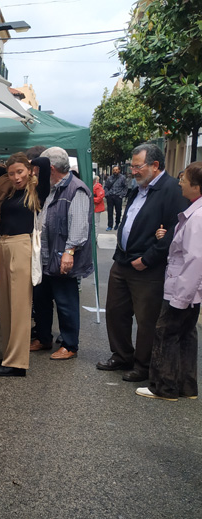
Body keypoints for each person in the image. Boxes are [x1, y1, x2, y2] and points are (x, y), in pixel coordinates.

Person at [96, 144, 189, 382]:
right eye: (132, 166)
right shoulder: (138, 189)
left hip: (147, 267)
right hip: (123, 261)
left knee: (146, 318)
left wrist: (148, 259)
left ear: (155, 166)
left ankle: (143, 364)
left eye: (138, 166)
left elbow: (175, 232)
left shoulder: (172, 191)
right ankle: (122, 355)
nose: (133, 171)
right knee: (116, 312)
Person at [0, 152, 50, 377]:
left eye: (20, 172)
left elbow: (45, 163)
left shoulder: (35, 192)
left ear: (29, 171)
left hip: (21, 246)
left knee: (19, 305)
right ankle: (9, 354)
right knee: (5, 304)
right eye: (12, 173)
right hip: (5, 246)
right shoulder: (13, 191)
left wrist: (29, 163)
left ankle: (17, 363)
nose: (15, 177)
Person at [135, 162, 202, 401]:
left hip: (182, 289)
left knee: (166, 334)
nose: (180, 183)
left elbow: (194, 259)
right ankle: (185, 385)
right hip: (189, 290)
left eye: (184, 180)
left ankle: (164, 386)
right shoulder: (194, 213)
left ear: (196, 186)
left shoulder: (197, 217)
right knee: (185, 336)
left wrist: (180, 298)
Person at [31, 147, 93, 360]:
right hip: (47, 257)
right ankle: (44, 337)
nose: (36, 173)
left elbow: (78, 226)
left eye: (39, 169)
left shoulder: (76, 189)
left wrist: (69, 252)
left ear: (51, 169)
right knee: (41, 300)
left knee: (66, 303)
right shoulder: (52, 188)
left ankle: (69, 345)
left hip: (61, 257)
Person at [103, 165, 127, 231]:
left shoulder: (122, 178)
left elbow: (125, 187)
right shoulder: (109, 178)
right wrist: (107, 194)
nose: (115, 171)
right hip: (110, 196)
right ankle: (110, 225)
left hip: (118, 196)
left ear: (119, 170)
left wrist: (121, 195)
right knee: (110, 212)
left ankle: (117, 224)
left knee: (118, 211)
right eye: (114, 170)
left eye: (116, 170)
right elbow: (106, 187)